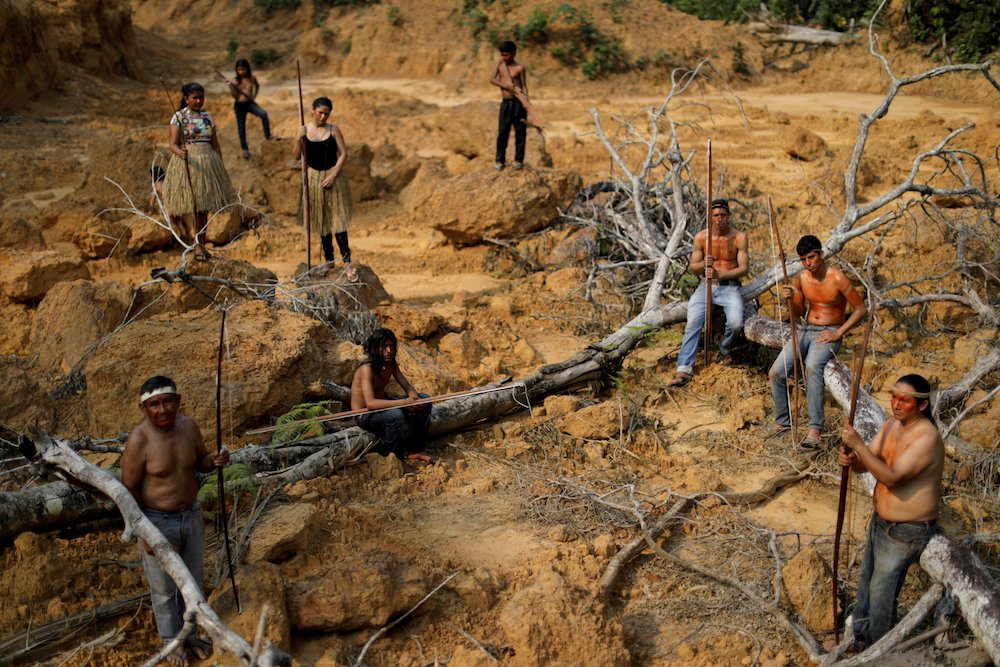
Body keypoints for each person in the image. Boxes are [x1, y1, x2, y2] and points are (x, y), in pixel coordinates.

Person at [121, 376, 230, 667]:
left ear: (178, 401)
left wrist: (215, 461)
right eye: (153, 404)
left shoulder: (188, 427)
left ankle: (190, 635)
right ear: (143, 408)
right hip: (157, 520)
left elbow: (200, 461)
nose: (162, 409)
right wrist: (143, 529)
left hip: (191, 516)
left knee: (191, 582)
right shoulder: (138, 439)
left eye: (167, 401)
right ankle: (171, 642)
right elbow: (128, 488)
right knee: (164, 587)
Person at [840, 374, 944, 647]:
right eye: (894, 397)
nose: (896, 404)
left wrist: (858, 445)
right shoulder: (891, 425)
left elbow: (892, 477)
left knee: (881, 595)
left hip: (906, 530)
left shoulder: (926, 438)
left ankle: (877, 651)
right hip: (881, 522)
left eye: (905, 400)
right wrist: (852, 459)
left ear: (922, 405)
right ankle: (857, 639)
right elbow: (868, 462)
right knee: (866, 587)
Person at [768, 235, 867, 448]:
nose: (808, 263)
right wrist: (790, 299)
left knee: (813, 367)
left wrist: (838, 333)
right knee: (776, 372)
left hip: (829, 332)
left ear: (821, 255)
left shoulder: (837, 278)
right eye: (803, 259)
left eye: (811, 257)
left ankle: (815, 429)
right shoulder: (801, 278)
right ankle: (783, 422)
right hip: (806, 329)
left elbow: (861, 309)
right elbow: (799, 312)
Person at [669, 198, 749, 387]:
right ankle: (684, 368)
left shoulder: (739, 237)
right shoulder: (702, 237)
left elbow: (744, 269)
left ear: (728, 216)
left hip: (730, 287)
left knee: (737, 323)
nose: (719, 219)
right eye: (715, 215)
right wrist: (703, 265)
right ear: (710, 217)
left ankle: (724, 348)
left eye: (723, 215)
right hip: (706, 286)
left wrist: (721, 273)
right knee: (694, 321)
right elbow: (692, 267)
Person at [163, 82, 236, 262]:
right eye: (194, 97)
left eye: (201, 97)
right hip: (188, 163)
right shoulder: (178, 117)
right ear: (186, 98)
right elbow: (172, 144)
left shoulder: (207, 117)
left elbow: (215, 144)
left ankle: (201, 244)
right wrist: (180, 152)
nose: (198, 101)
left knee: (203, 208)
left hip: (208, 162)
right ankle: (197, 246)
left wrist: (219, 164)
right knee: (196, 208)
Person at [292, 96, 357, 281]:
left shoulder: (333, 129)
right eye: (320, 112)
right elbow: (296, 156)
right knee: (322, 221)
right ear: (313, 111)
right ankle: (329, 260)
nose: (323, 116)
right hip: (314, 178)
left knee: (338, 221)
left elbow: (344, 153)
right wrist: (298, 138)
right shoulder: (303, 130)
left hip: (333, 178)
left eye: (326, 113)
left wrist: (334, 174)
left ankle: (347, 262)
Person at [351, 328, 433, 463]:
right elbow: (370, 403)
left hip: (383, 405)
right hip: (364, 414)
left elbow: (407, 386)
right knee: (395, 415)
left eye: (391, 346)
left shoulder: (391, 365)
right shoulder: (367, 369)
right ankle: (396, 459)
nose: (388, 351)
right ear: (375, 348)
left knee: (425, 400)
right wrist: (404, 403)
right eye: (384, 347)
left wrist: (414, 399)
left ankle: (416, 449)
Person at [489, 40, 528, 171]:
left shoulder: (520, 68)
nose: (504, 57)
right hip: (506, 103)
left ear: (514, 54)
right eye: (502, 55)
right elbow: (492, 79)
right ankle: (500, 160)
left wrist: (526, 103)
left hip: (518, 103)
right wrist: (505, 85)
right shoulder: (499, 65)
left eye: (506, 55)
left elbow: (524, 86)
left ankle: (518, 160)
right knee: (503, 132)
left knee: (520, 132)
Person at [223, 59, 272, 159]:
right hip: (239, 105)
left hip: (249, 103)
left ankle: (268, 136)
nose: (241, 72)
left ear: (247, 68)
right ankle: (245, 149)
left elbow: (257, 86)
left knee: (263, 114)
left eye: (243, 69)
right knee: (241, 127)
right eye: (239, 69)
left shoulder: (251, 78)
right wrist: (231, 87)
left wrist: (254, 96)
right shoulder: (235, 80)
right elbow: (235, 96)